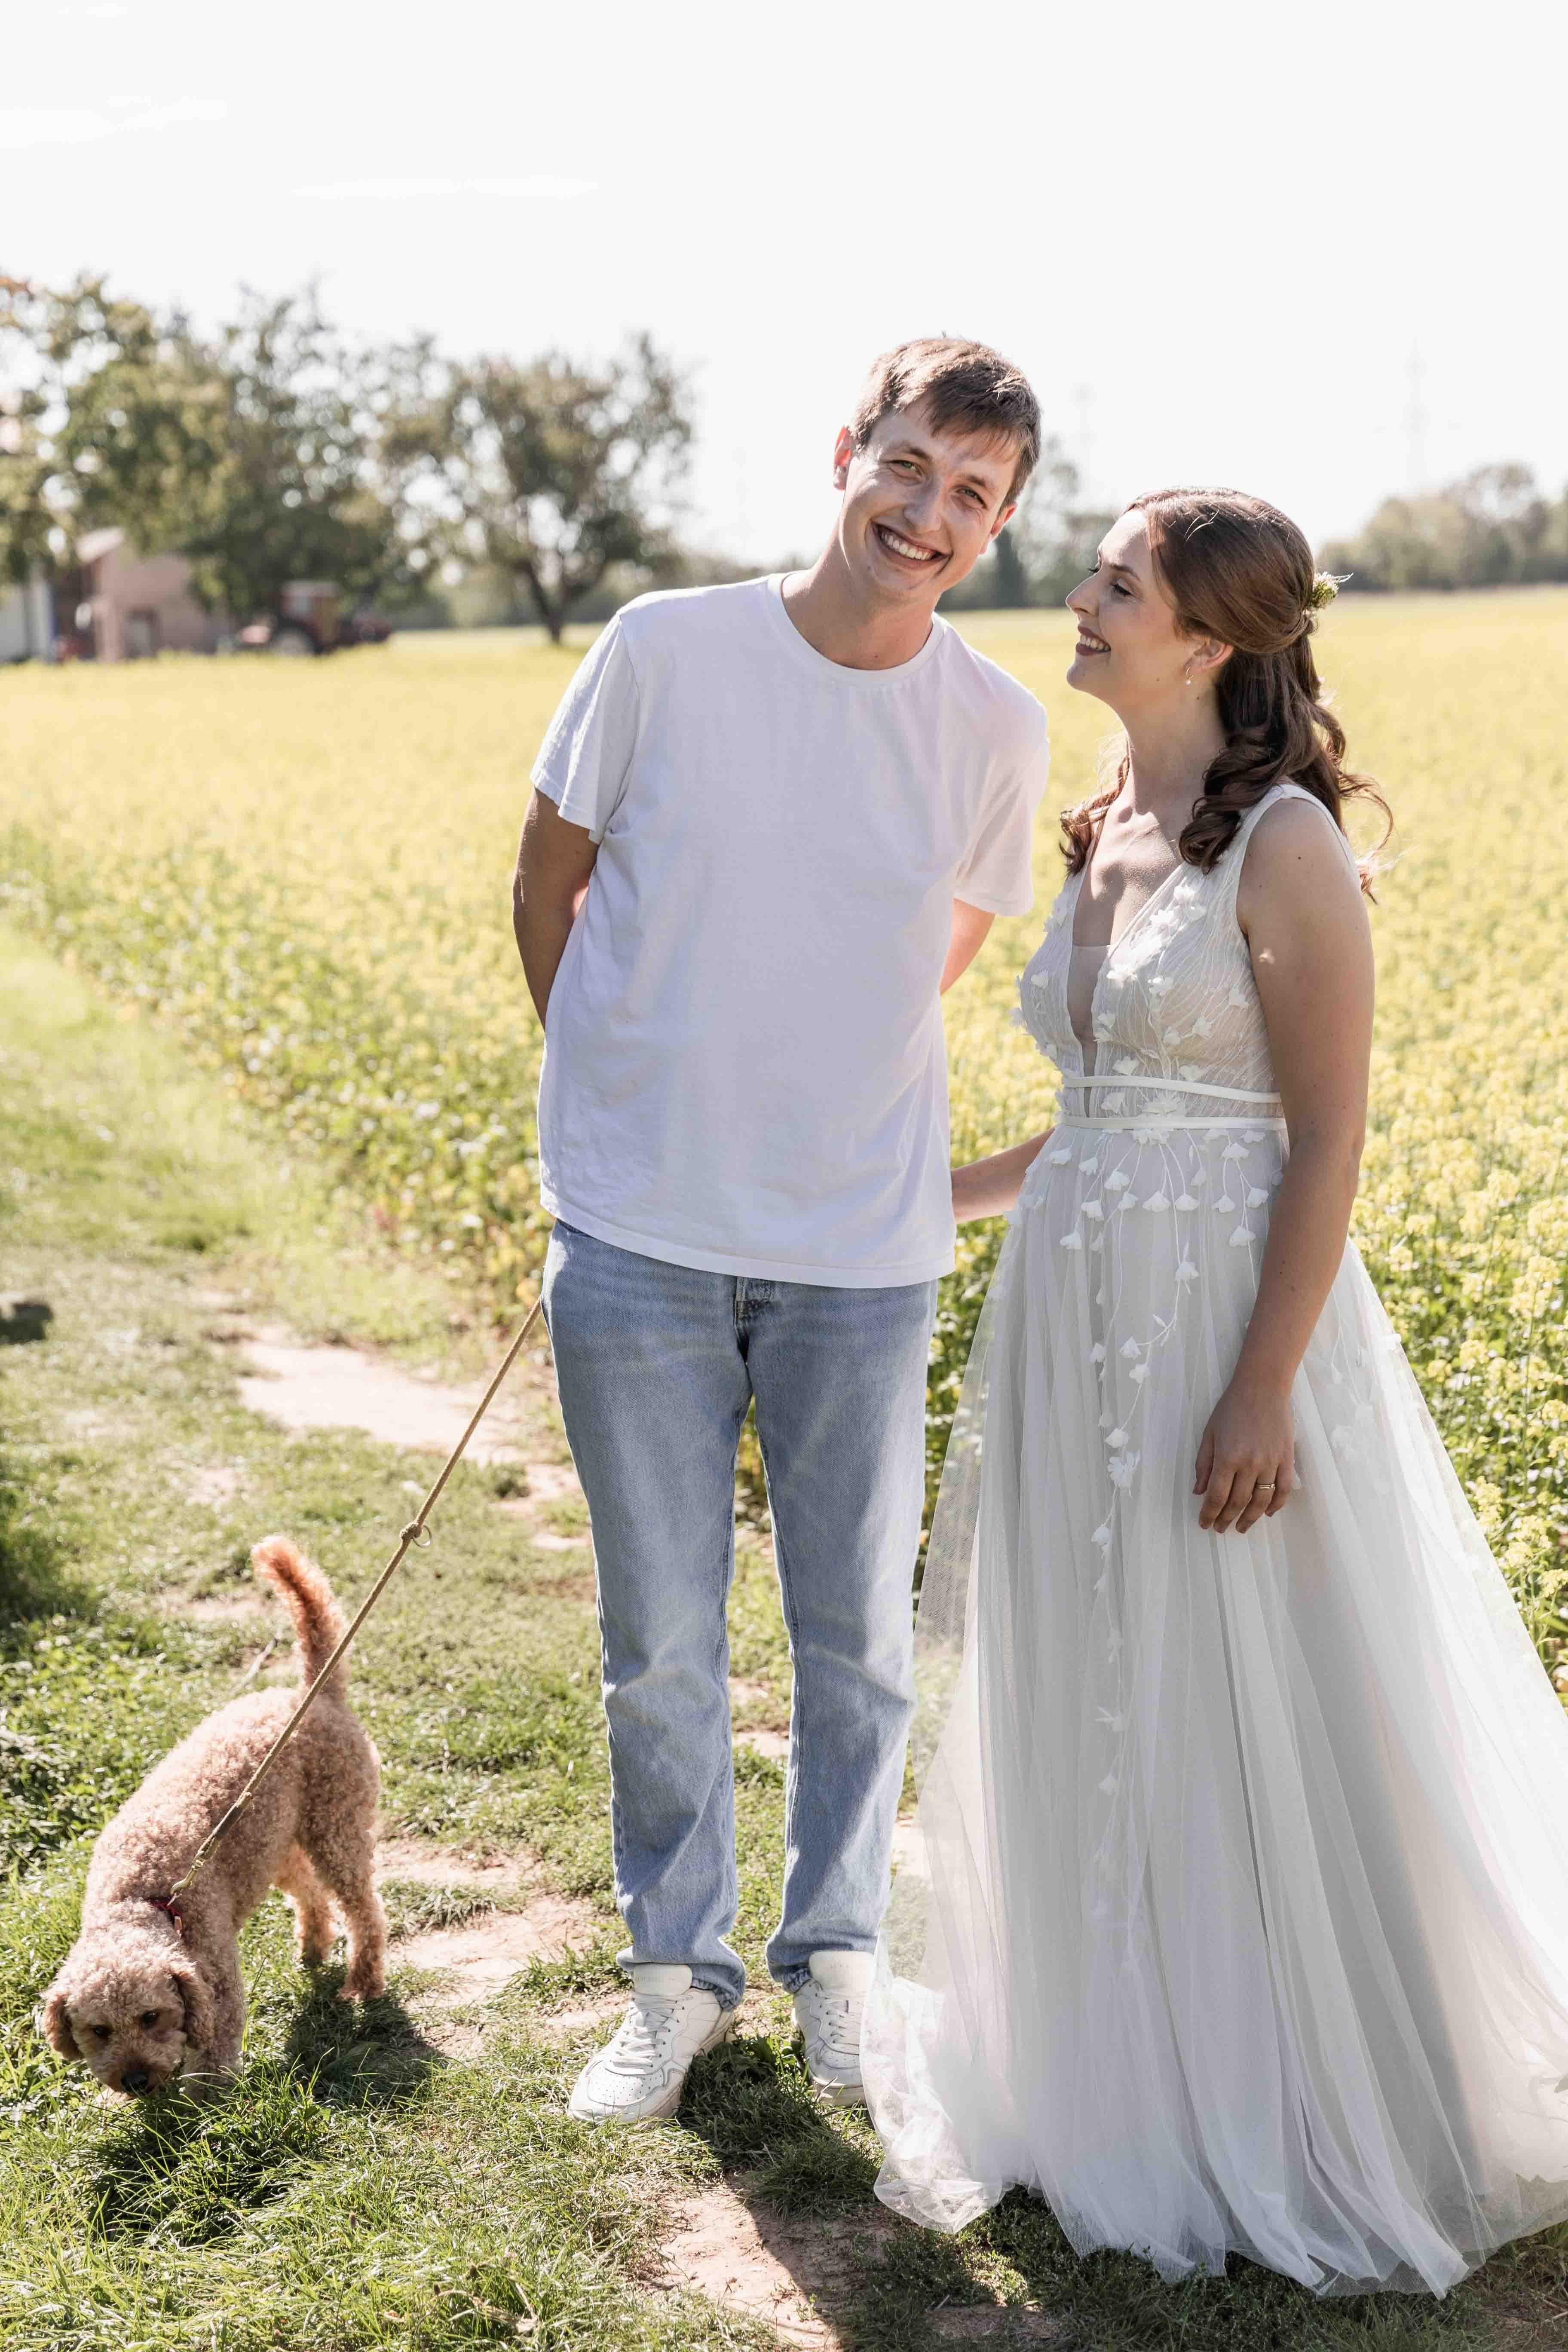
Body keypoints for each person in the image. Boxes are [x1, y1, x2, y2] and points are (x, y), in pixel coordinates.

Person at [863, 488, 1568, 2293]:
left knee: (1251, 1678)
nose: (1079, 599)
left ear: (1209, 635)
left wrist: (1260, 1388)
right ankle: (1113, 2063)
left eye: (1115, 581)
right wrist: (921, 1201)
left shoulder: (1287, 848)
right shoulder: (1099, 821)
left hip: (1229, 1328)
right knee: (1091, 1665)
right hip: (1071, 1312)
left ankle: (1296, 2082)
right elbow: (1105, 1119)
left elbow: (1324, 1134)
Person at [512, 338, 1052, 2124]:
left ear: (995, 526)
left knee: (857, 1639)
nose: (929, 513)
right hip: (639, 1241)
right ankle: (675, 1979)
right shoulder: (665, 648)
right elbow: (549, 878)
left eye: (973, 496)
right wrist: (619, 1102)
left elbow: (923, 970)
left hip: (860, 1256)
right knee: (658, 1634)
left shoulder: (994, 723)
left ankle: (837, 1964)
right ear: (851, 450)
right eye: (911, 467)